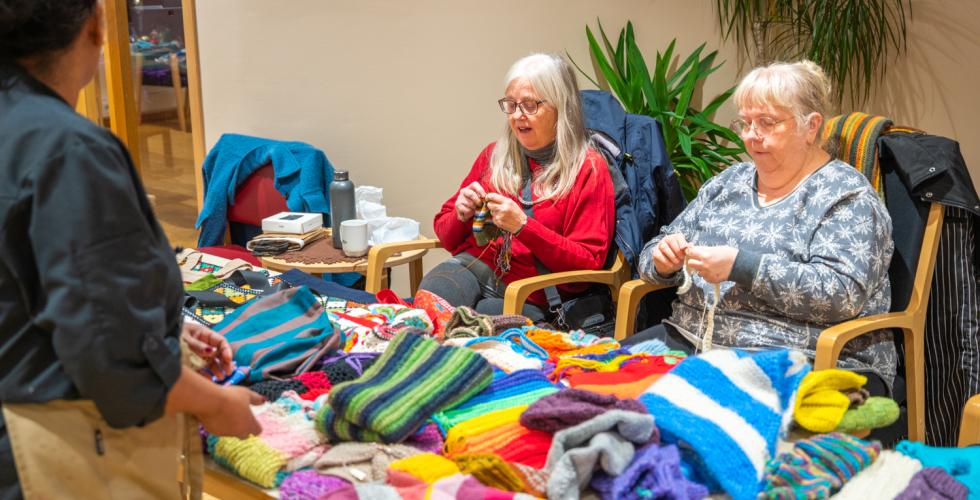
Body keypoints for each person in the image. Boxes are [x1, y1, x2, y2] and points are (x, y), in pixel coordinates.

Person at [0, 1, 262, 497]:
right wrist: (214, 404)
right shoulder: (68, 149)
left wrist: (161, 322)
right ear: (97, 28)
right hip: (53, 445)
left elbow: (33, 282)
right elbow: (111, 356)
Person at [627, 60, 897, 389]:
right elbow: (652, 254)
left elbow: (840, 295)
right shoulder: (729, 182)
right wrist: (662, 260)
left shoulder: (846, 197)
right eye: (746, 123)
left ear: (811, 126)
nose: (752, 136)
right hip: (690, 342)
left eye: (767, 123)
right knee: (592, 385)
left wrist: (742, 267)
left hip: (796, 358)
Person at [421, 53, 615, 322]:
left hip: (534, 291)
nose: (517, 116)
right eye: (511, 105)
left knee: (482, 325)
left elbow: (587, 263)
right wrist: (460, 213)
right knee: (430, 303)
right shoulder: (494, 155)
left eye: (530, 105)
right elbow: (446, 237)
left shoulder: (588, 169)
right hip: (476, 267)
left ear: (561, 107)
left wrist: (523, 226)